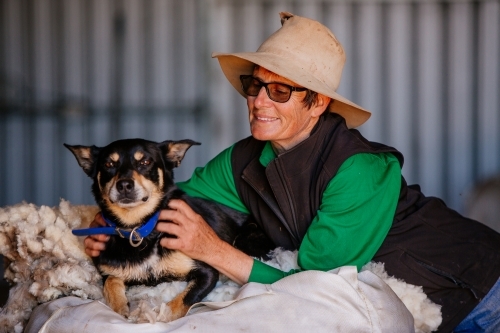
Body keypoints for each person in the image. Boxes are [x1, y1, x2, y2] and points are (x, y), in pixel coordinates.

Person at [85, 12, 500, 333]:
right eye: (255, 85)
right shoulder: (242, 161)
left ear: (317, 104)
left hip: (483, 292)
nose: (259, 102)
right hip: (423, 306)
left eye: (280, 90)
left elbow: (316, 284)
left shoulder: (361, 169)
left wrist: (213, 251)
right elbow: (168, 203)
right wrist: (110, 227)